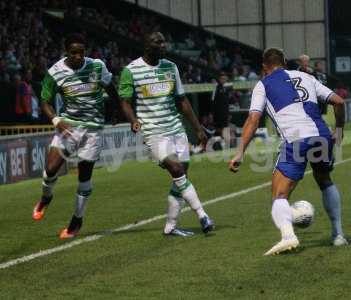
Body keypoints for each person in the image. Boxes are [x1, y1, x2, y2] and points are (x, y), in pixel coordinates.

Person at [229, 48, 347, 256]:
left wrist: (240, 152)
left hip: (295, 140)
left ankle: (288, 236)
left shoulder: (263, 84)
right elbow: (338, 101)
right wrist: (339, 130)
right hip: (321, 136)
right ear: (284, 61)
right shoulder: (305, 76)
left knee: (279, 195)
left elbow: (253, 120)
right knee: (324, 179)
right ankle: (338, 235)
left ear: (264, 67)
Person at [118, 32, 214, 237]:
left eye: (164, 41)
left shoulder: (171, 67)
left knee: (181, 177)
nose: (163, 45)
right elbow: (124, 102)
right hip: (153, 131)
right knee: (177, 169)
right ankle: (202, 215)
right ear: (146, 44)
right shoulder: (131, 71)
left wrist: (197, 128)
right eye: (157, 42)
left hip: (176, 129)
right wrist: (134, 120)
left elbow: (182, 100)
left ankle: (170, 226)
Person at [32, 33, 121, 239]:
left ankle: (76, 220)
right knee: (50, 169)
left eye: (81, 52)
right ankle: (46, 198)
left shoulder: (97, 67)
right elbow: (44, 101)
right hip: (68, 126)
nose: (78, 56)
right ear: (66, 52)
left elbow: (111, 88)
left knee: (84, 176)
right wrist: (56, 120)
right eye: (74, 53)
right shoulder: (55, 72)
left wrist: (116, 110)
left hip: (93, 129)